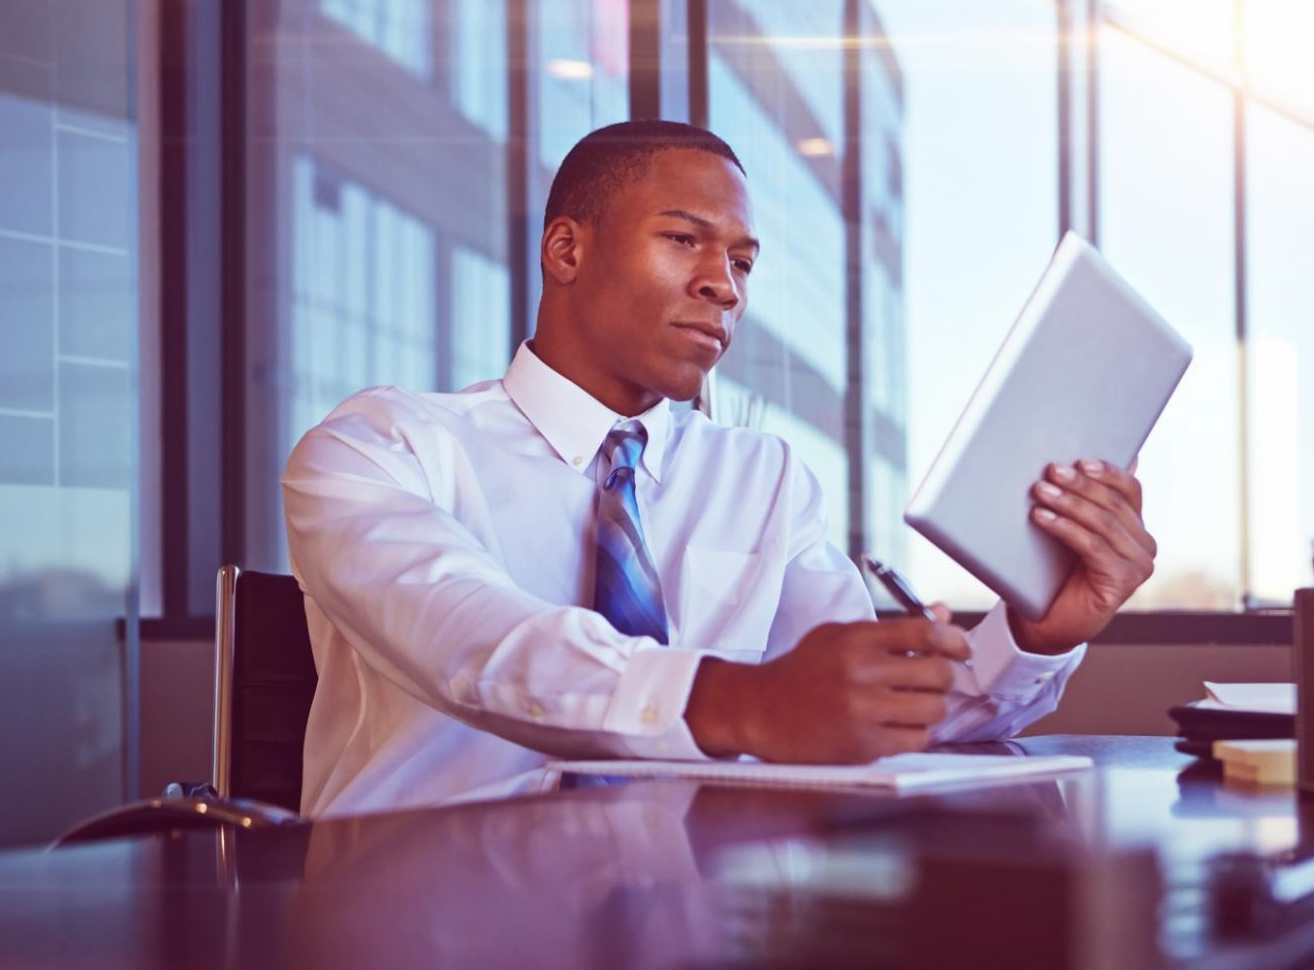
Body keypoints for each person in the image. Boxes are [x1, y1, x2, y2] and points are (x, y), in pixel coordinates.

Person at [282, 120, 1158, 817]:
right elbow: (482, 644)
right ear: (566, 251)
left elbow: (872, 708)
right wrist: (741, 701)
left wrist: (1040, 628)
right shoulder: (378, 449)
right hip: (418, 916)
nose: (725, 286)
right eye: (682, 241)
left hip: (692, 908)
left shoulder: (765, 479)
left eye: (740, 261)